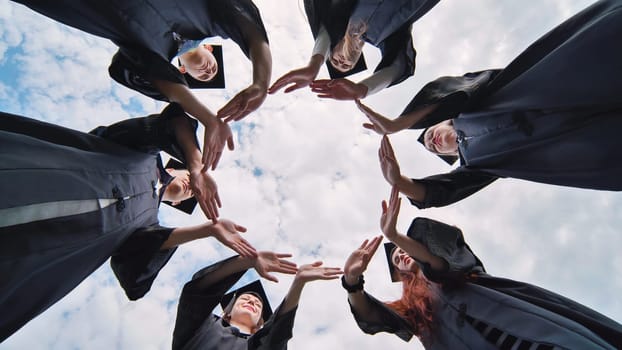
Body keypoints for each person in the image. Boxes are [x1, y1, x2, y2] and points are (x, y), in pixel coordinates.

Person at [0, 106, 257, 342]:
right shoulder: (140, 153)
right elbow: (176, 121)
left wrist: (207, 230)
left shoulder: (145, 224)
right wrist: (198, 167)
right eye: (187, 176)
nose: (190, 186)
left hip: (23, 255)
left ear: (178, 204)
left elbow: (136, 279)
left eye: (191, 194)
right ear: (176, 167)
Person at [357, 0, 622, 208]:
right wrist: (399, 182)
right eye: (432, 146)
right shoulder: (479, 163)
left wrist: (400, 123)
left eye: (428, 133)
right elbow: (441, 192)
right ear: (452, 157)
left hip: (563, 81)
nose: (431, 140)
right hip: (578, 143)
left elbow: (452, 93)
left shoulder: (475, 101)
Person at [342, 187, 622, 349]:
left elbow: (439, 264)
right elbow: (374, 316)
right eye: (396, 259)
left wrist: (397, 237)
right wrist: (352, 281)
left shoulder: (454, 263)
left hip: (526, 331)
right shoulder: (413, 308)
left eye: (403, 251)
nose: (400, 255)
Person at [11, 0, 273, 170]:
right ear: (210, 49)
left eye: (204, 76)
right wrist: (261, 82)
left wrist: (208, 119)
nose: (207, 70)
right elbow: (245, 20)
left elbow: (165, 85)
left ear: (183, 71)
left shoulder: (148, 54)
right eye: (212, 66)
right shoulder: (206, 14)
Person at [268, 0, 439, 100]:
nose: (342, 62)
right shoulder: (385, 38)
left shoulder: (341, 11)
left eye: (334, 60)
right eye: (347, 65)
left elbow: (327, 30)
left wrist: (315, 64)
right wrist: (362, 89)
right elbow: (399, 66)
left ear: (332, 49)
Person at [172, 252, 343, 349]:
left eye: (258, 304)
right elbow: (196, 294)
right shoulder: (204, 326)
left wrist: (298, 284)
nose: (252, 302)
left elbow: (277, 334)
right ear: (227, 311)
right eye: (245, 298)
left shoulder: (259, 346)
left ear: (261, 321)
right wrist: (248, 261)